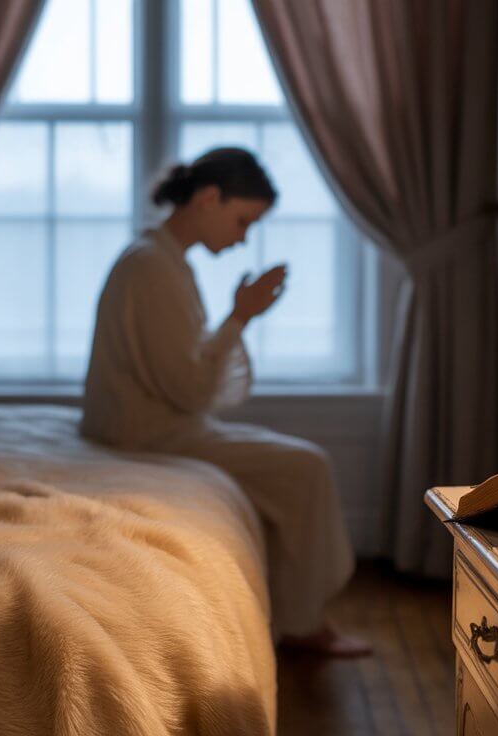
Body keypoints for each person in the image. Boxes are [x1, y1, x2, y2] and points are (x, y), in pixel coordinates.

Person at [80, 147, 369, 657]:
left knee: (297, 465)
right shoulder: (151, 268)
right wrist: (241, 316)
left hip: (150, 423)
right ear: (209, 198)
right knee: (307, 467)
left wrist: (240, 315)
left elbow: (182, 376)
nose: (242, 238)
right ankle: (303, 626)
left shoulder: (158, 260)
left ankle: (294, 613)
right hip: (146, 434)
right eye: (242, 220)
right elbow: (187, 388)